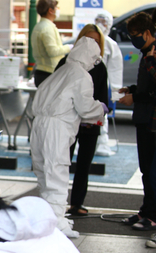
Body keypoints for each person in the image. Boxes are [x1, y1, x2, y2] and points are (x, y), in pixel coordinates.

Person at [31, 37, 107, 238]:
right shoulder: (81, 75)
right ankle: (56, 225)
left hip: (38, 125)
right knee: (57, 172)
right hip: (56, 129)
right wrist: (100, 108)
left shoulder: (62, 70)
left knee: (44, 173)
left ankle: (51, 217)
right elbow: (85, 107)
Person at [54, 25, 107, 217]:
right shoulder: (66, 63)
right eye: (87, 39)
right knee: (61, 162)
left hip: (89, 126)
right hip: (66, 123)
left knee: (84, 165)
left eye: (95, 41)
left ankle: (77, 203)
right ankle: (57, 203)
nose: (90, 44)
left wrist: (95, 115)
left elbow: (102, 99)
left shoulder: (100, 68)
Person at [118, 12, 156, 231]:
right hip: (143, 119)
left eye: (136, 35)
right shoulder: (146, 53)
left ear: (148, 32)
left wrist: (136, 97)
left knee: (152, 172)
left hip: (152, 121)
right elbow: (148, 88)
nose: (133, 40)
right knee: (145, 169)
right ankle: (146, 211)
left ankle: (151, 215)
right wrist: (132, 90)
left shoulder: (152, 53)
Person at [95, 9, 124, 157]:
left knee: (102, 115)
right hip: (86, 85)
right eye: (98, 21)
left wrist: (116, 94)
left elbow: (116, 70)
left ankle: (102, 142)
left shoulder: (111, 45)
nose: (100, 24)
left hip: (102, 86)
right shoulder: (89, 40)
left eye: (103, 22)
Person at [30, 0, 71, 87]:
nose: (58, 10)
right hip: (49, 72)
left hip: (41, 71)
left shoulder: (38, 26)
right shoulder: (47, 28)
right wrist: (69, 47)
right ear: (50, 10)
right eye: (56, 8)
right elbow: (52, 51)